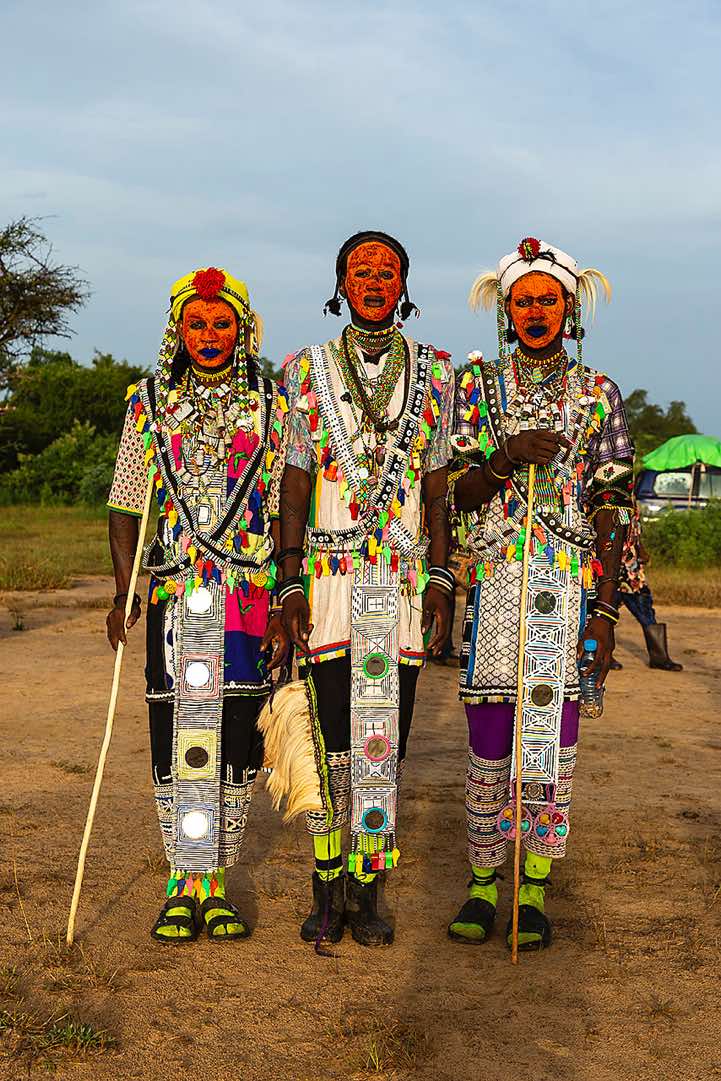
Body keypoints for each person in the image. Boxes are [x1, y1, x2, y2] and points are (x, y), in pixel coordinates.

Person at [448, 237, 635, 950]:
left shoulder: (598, 393)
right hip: (498, 584)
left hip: (569, 582)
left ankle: (532, 890)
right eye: (521, 300)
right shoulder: (477, 387)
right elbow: (460, 494)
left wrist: (609, 609)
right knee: (490, 737)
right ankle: (482, 885)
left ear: (567, 306)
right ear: (505, 310)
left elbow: (612, 505)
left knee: (551, 744)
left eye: (545, 299)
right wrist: (503, 456)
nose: (533, 310)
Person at [279, 230, 454, 947]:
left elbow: (440, 485)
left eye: (387, 270)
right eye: (361, 270)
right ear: (340, 285)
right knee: (326, 741)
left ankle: (368, 889)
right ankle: (325, 889)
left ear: (403, 284)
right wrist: (288, 579)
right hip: (326, 583)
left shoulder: (437, 372)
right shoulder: (303, 369)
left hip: (403, 583)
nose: (374, 280)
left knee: (384, 745)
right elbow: (293, 479)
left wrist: (443, 577)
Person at [106, 267, 288, 944]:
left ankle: (217, 880)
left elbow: (283, 503)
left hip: (249, 595)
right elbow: (126, 504)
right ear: (176, 329)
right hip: (177, 596)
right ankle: (182, 880)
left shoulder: (272, 402)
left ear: (241, 329)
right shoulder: (146, 401)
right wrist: (123, 588)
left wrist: (284, 598)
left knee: (236, 733)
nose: (208, 335)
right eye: (196, 323)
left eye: (221, 323)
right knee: (177, 735)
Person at [610, 498, 682, 670]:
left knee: (645, 608)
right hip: (612, 566)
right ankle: (605, 654)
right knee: (606, 612)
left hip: (631, 567)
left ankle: (659, 657)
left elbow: (634, 530)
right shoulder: (612, 494)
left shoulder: (630, 498)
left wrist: (640, 549)